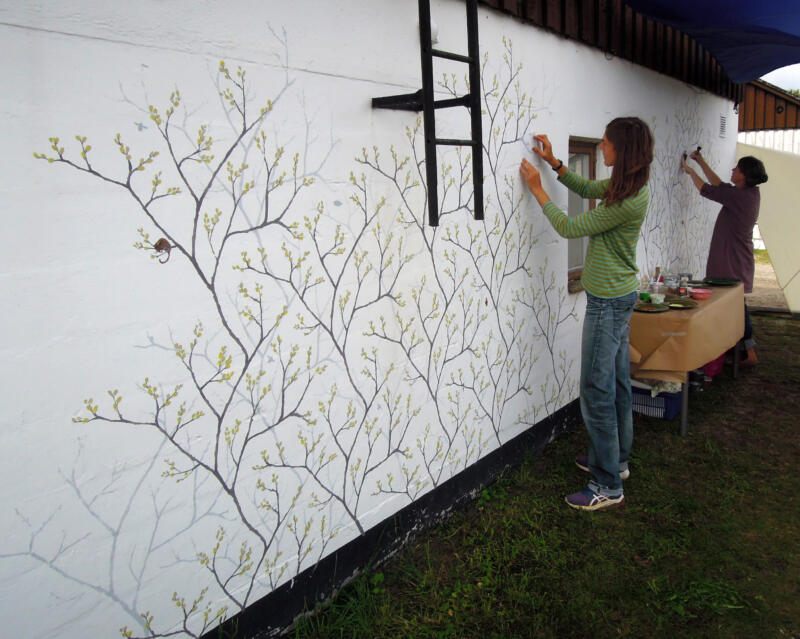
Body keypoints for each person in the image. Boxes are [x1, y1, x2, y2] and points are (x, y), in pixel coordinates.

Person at [519, 117, 654, 511]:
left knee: (596, 390)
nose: (602, 149)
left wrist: (537, 189)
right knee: (617, 383)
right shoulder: (627, 186)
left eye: (606, 144)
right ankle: (618, 462)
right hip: (619, 296)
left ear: (621, 150)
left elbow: (568, 226)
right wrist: (556, 164)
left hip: (608, 303)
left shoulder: (626, 199)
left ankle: (607, 484)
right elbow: (587, 186)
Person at [681, 151, 768, 365]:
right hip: (737, 260)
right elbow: (719, 185)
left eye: (737, 168)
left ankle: (748, 351)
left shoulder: (740, 197)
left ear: (745, 175)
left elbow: (707, 189)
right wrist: (700, 160)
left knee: (736, 307)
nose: (733, 170)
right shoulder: (748, 193)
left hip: (733, 262)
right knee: (735, 306)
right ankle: (739, 349)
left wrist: (690, 170)